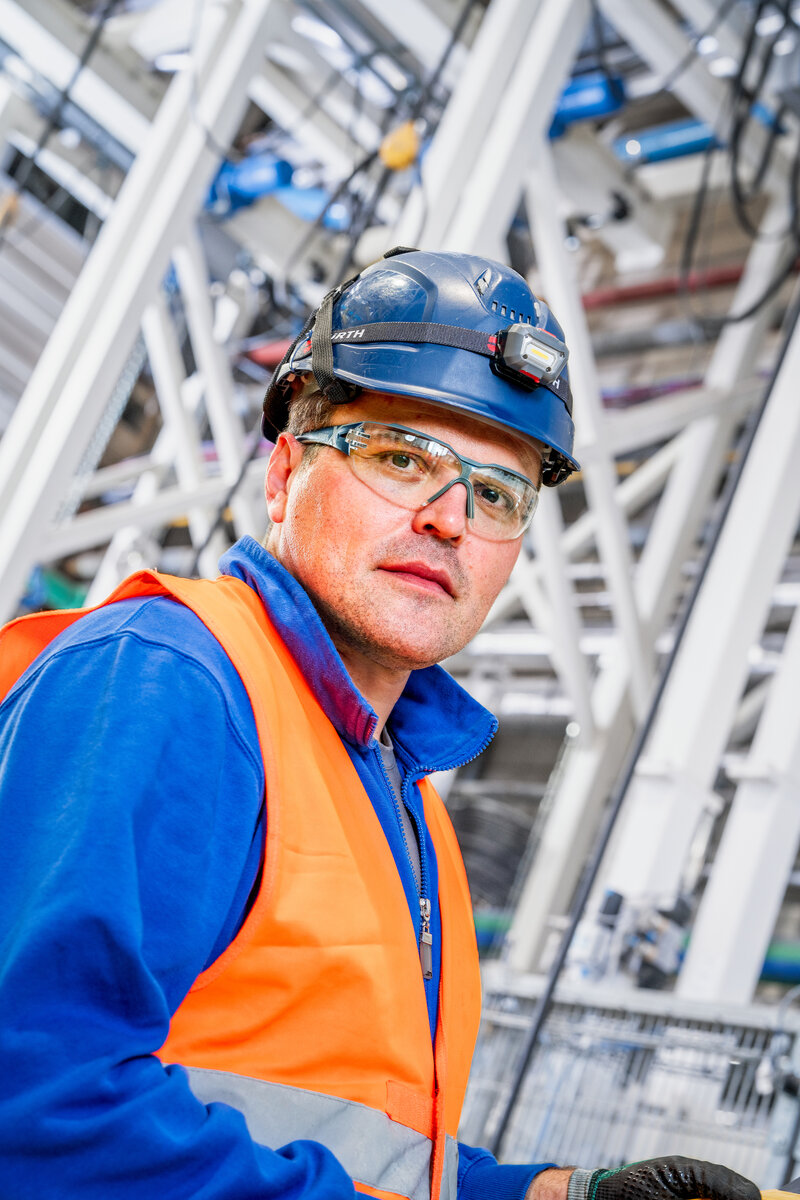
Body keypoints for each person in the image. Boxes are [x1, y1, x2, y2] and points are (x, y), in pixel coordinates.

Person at [0, 248, 759, 1200]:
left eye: (496, 494)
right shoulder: (174, 680)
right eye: (402, 458)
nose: (450, 519)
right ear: (285, 475)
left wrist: (563, 1195)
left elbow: (375, 1155)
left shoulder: (401, 800)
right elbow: (37, 1111)